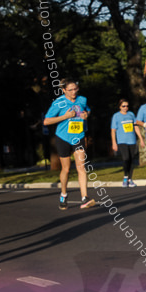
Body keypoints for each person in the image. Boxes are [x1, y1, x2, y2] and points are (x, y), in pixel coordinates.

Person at [43, 80, 96, 209]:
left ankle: (84, 198)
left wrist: (86, 115)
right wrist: (65, 116)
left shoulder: (82, 100)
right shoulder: (58, 103)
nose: (74, 92)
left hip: (78, 136)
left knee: (81, 167)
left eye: (76, 89)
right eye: (71, 90)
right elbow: (46, 121)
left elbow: (87, 111)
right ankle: (64, 194)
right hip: (63, 138)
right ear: (64, 90)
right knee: (66, 169)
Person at [110, 99, 138, 187]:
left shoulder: (131, 115)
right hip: (122, 141)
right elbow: (113, 130)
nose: (125, 108)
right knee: (126, 158)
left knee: (131, 159)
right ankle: (125, 177)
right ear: (119, 107)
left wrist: (140, 138)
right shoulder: (116, 116)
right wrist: (114, 142)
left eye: (127, 106)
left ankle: (130, 179)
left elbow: (136, 126)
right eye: (123, 106)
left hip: (132, 140)